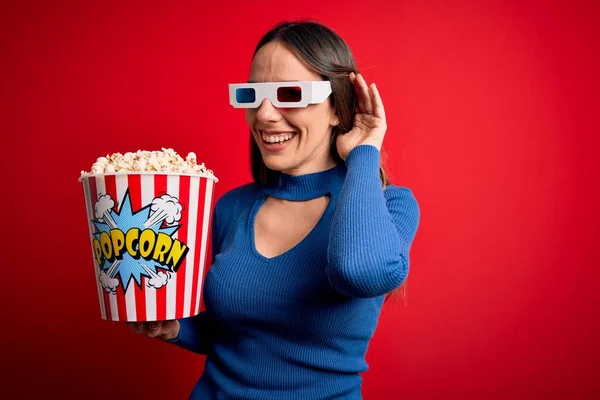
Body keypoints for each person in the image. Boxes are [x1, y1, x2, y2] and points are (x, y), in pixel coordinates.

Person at [129, 20, 420, 399]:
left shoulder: (390, 205)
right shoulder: (232, 207)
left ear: (338, 105)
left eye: (290, 93)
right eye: (252, 94)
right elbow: (232, 330)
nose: (263, 115)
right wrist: (175, 329)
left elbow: (360, 272)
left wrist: (364, 151)